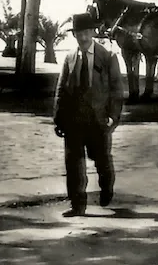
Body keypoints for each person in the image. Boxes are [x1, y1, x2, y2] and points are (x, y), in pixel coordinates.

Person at [53, 13, 127, 217]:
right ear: (74, 35)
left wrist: (113, 116)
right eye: (79, 34)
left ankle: (106, 188)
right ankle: (77, 205)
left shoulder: (108, 56)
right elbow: (61, 90)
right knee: (73, 164)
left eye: (86, 33)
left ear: (93, 33)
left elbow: (116, 90)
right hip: (73, 121)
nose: (83, 38)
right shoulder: (69, 58)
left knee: (102, 160)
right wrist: (58, 118)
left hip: (99, 121)